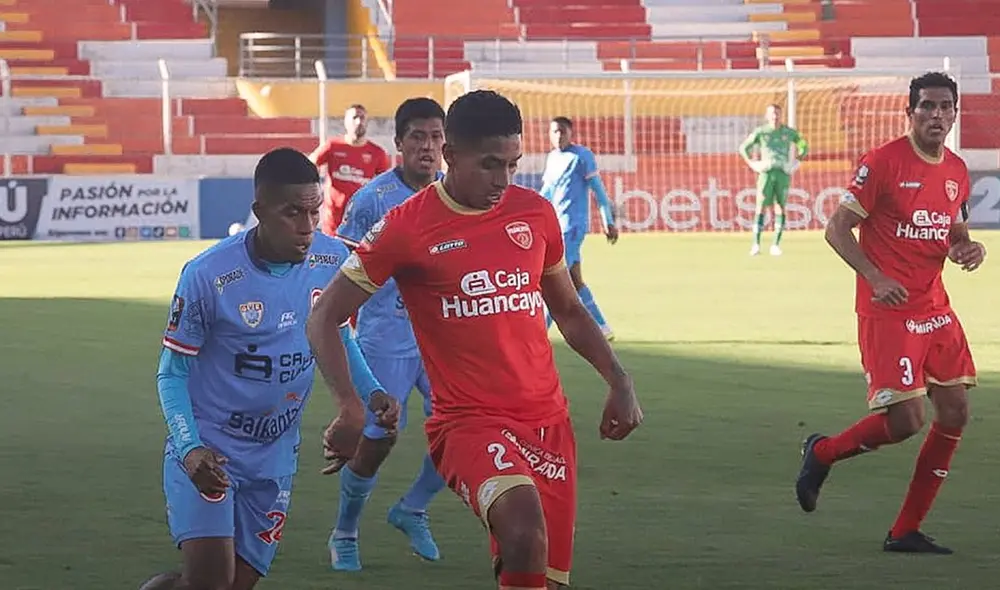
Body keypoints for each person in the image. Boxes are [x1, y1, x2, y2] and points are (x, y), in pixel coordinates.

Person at [307, 90, 644, 590]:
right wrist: (350, 407)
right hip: (468, 423)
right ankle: (350, 531)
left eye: (512, 164)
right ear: (451, 156)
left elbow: (569, 309)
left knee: (539, 572)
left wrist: (619, 379)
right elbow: (324, 315)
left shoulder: (535, 214)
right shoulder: (405, 225)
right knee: (526, 532)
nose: (503, 180)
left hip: (547, 422)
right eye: (489, 165)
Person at [139, 148, 395, 590]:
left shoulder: (332, 259)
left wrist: (372, 393)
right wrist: (189, 448)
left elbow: (337, 333)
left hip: (275, 454)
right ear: (259, 211)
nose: (307, 227)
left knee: (237, 584)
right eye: (292, 213)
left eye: (314, 211)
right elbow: (172, 373)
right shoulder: (207, 275)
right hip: (210, 447)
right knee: (211, 582)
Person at [796, 72, 986, 554]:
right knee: (905, 421)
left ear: (955, 113)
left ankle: (905, 530)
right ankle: (822, 452)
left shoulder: (957, 170)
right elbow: (837, 229)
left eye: (945, 107)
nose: (936, 115)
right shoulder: (881, 163)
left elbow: (954, 232)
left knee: (956, 411)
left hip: (935, 306)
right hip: (889, 311)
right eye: (927, 106)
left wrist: (967, 249)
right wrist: (876, 278)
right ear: (910, 112)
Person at [326, 97, 448, 571]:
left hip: (443, 341)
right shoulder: (373, 200)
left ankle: (411, 508)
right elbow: (341, 275)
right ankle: (345, 531)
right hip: (386, 336)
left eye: (436, 137)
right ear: (398, 143)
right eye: (417, 136)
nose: (428, 146)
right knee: (379, 440)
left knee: (459, 432)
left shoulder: (453, 195)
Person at [540, 116, 618, 340]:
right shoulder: (553, 158)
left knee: (555, 280)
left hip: (573, 226)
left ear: (571, 133)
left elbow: (599, 191)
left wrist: (608, 220)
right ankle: (602, 326)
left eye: (562, 131)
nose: (558, 136)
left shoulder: (582, 156)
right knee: (574, 279)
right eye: (554, 132)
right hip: (556, 226)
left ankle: (540, 332)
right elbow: (547, 193)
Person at [309, 104, 391, 234]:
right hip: (333, 222)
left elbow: (387, 185)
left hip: (361, 221)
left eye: (362, 118)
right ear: (346, 122)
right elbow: (310, 164)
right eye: (354, 117)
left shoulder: (377, 153)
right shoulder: (333, 146)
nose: (359, 122)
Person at [739, 103, 808, 256]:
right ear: (767, 116)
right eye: (772, 114)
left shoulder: (789, 132)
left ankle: (775, 245)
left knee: (780, 206)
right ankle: (756, 244)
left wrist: (797, 160)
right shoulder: (761, 132)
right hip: (766, 173)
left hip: (783, 173)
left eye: (777, 114)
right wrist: (753, 164)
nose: (775, 117)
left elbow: (803, 144)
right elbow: (743, 148)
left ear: (781, 115)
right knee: (761, 206)